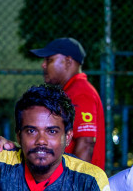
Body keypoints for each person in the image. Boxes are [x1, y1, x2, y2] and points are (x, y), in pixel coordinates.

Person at [29, 37, 104, 168]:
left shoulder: (81, 92)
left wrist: (76, 186)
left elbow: (86, 143)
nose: (43, 65)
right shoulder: (71, 91)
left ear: (68, 61)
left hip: (78, 184)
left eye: (49, 60)